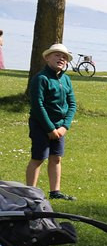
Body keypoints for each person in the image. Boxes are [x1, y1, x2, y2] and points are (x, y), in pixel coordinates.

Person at [26, 43, 77, 201]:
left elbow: (72, 104)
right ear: (47, 58)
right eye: (56, 55)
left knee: (56, 158)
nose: (61, 59)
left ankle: (55, 191)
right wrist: (49, 129)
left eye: (64, 57)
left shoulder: (66, 79)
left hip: (59, 127)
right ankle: (30, 193)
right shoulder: (41, 79)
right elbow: (38, 106)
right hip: (41, 125)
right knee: (38, 158)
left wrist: (64, 126)